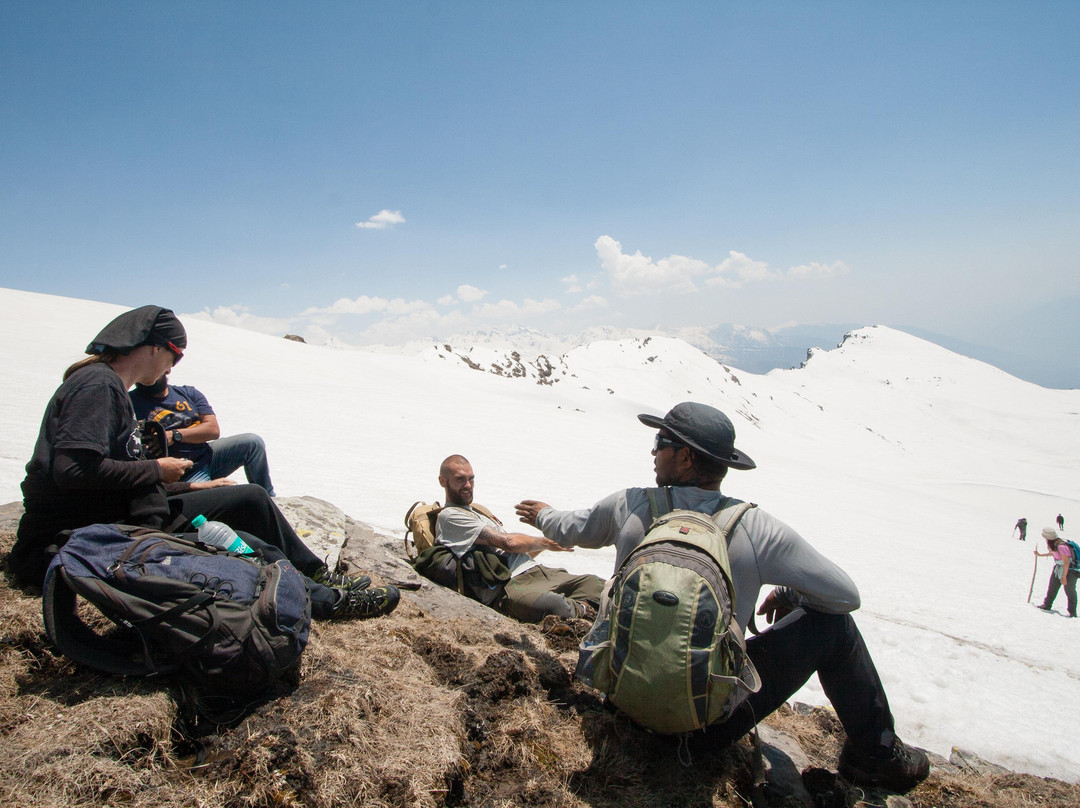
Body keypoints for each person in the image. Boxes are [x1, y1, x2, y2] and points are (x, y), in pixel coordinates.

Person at [514, 402, 930, 793]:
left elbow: (573, 528)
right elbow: (844, 596)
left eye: (662, 443)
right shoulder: (756, 529)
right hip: (706, 727)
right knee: (835, 628)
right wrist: (788, 592)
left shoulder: (632, 506)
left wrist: (543, 514)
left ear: (686, 458)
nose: (653, 451)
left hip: (622, 704)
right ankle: (876, 756)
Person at [9, 305, 398, 621]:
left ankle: (316, 574)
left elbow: (109, 474)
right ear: (154, 347)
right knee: (243, 546)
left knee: (250, 498)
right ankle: (326, 602)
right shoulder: (98, 386)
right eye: (174, 355)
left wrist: (191, 486)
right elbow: (72, 471)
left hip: (123, 512)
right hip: (83, 535)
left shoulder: (108, 385)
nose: (171, 368)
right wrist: (157, 470)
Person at [435, 455, 604, 622]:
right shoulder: (449, 516)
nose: (468, 485)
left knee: (598, 584)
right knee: (553, 606)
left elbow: (512, 552)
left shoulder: (477, 511)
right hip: (512, 584)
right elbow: (508, 543)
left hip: (537, 572)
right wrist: (544, 541)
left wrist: (546, 545)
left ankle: (583, 608)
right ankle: (586, 610)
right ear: (443, 481)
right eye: (460, 480)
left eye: (471, 479)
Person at [130, 372, 276, 495]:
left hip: (208, 456)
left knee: (252, 443)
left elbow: (212, 430)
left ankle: (268, 498)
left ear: (166, 369)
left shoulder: (188, 393)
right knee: (213, 498)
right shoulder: (129, 402)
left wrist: (174, 435)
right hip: (184, 473)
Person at [1035, 527, 1077, 618]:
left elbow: (1066, 562)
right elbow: (1055, 554)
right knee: (1052, 587)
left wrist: (1064, 577)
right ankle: (1047, 605)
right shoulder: (1055, 544)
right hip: (1059, 568)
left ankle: (1072, 612)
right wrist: (1040, 555)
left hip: (1069, 571)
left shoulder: (1061, 546)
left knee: (1069, 591)